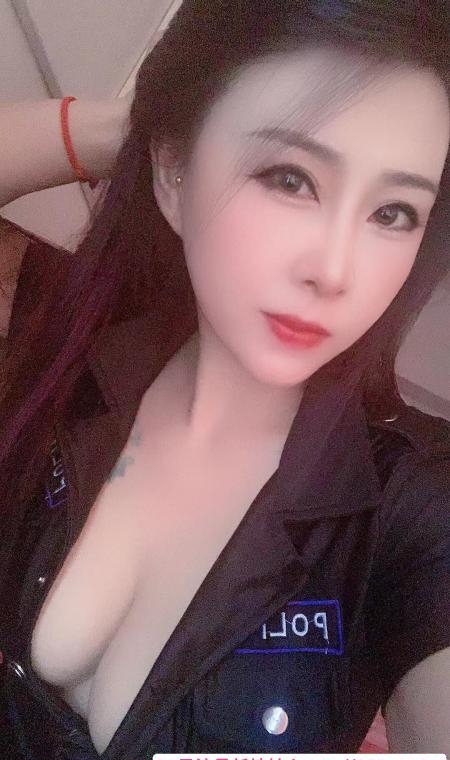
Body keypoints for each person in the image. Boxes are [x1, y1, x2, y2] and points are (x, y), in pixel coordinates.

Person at [0, 1, 449, 757]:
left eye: (394, 212)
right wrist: (144, 129)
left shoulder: (404, 513)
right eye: (290, 177)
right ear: (172, 174)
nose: (335, 270)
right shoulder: (85, 348)